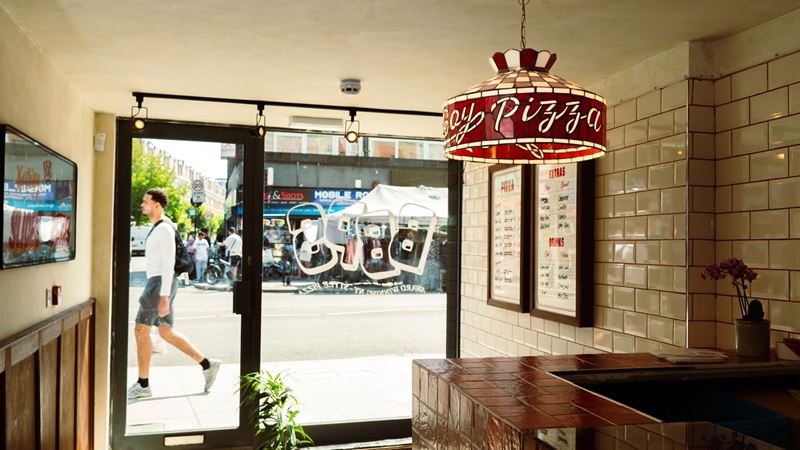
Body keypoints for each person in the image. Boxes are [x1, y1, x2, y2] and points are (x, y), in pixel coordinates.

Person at [127, 188, 221, 400]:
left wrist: (163, 297)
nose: (142, 205)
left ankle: (143, 385)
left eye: (145, 202)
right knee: (166, 332)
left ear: (157, 205)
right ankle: (208, 364)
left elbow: (169, 262)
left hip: (160, 283)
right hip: (161, 283)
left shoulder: (164, 229)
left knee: (140, 330)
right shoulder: (158, 228)